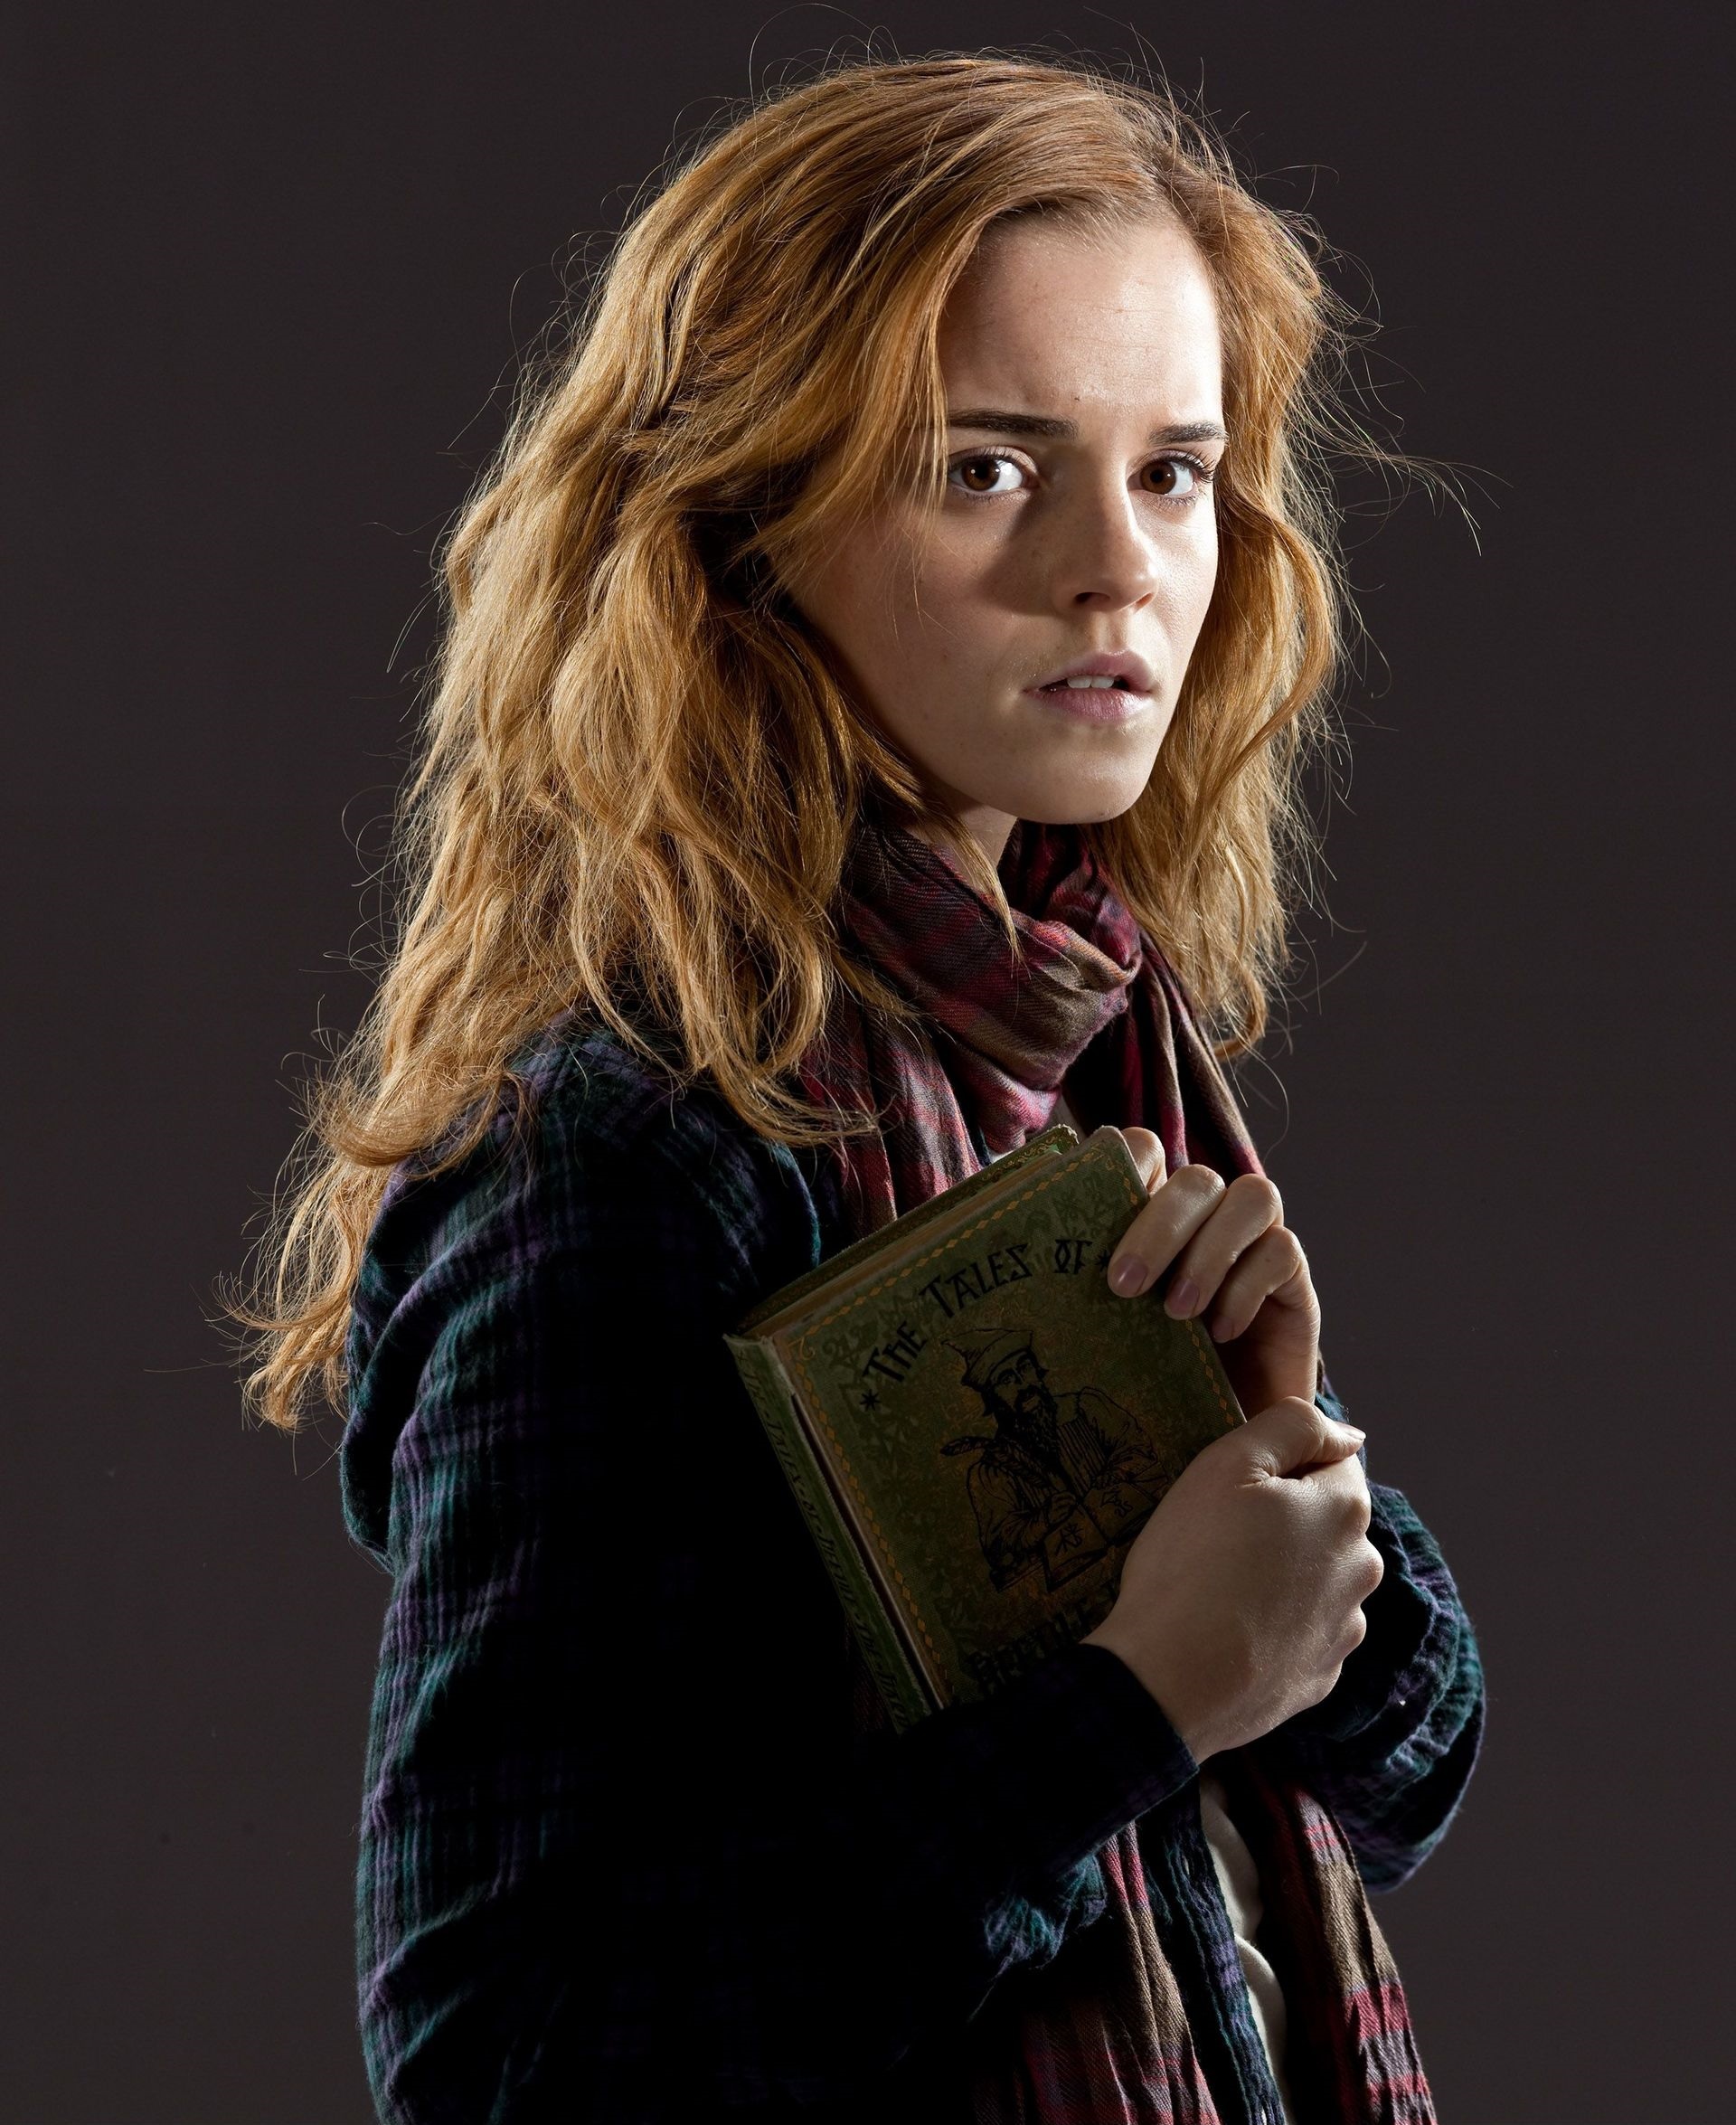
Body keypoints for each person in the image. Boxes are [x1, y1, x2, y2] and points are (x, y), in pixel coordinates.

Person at [235, 52, 1484, 2125]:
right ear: (741, 522)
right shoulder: (625, 1148)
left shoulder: (1085, 1031)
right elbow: (506, 2059)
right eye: (987, 467)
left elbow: (1383, 1781)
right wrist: (1135, 1700)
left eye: (1175, 471)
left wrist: (1283, 1452)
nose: (1117, 568)